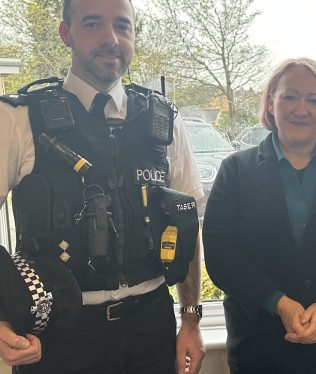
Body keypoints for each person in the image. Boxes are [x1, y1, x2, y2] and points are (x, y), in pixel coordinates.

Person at [0, 0, 206, 373]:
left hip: (152, 331)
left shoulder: (164, 123)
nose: (111, 39)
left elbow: (186, 226)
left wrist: (190, 318)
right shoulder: (17, 119)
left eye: (122, 26)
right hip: (59, 336)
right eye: (93, 24)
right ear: (66, 33)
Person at [202, 57, 316, 374]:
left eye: (314, 100)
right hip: (257, 347)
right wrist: (279, 303)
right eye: (290, 96)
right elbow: (221, 254)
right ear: (271, 101)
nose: (301, 109)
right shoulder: (234, 171)